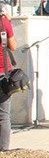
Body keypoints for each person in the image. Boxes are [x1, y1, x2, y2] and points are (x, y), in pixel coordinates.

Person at [0, 8, 17, 150]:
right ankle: (4, 151)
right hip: (2, 72)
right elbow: (13, 46)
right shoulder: (4, 22)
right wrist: (8, 22)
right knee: (4, 115)